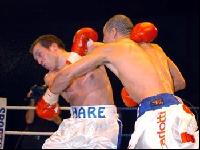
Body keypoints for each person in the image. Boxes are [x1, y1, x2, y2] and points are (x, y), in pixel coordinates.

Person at [48, 14, 199, 149]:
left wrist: (49, 96)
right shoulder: (156, 48)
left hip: (157, 117)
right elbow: (179, 82)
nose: (104, 40)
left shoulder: (111, 49)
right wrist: (144, 88)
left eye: (104, 36)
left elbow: (65, 76)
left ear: (113, 32)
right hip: (179, 111)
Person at [29, 30, 122, 149]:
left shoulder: (90, 54)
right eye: (36, 59)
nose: (39, 61)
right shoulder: (50, 78)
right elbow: (66, 92)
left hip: (102, 122)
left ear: (53, 47)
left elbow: (116, 53)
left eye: (40, 54)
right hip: (74, 123)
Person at [16, 84, 61, 149]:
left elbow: (59, 121)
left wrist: (47, 111)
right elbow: (29, 120)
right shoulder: (34, 104)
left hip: (48, 140)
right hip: (31, 140)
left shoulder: (54, 104)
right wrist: (32, 100)